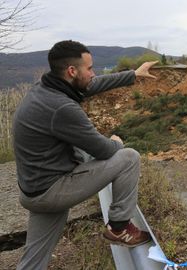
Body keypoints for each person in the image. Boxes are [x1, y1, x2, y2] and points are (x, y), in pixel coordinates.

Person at [13, 40, 158, 270]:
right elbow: (103, 150)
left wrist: (133, 74)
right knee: (128, 158)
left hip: (34, 189)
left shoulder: (46, 88)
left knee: (33, 262)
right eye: (90, 68)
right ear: (72, 71)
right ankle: (119, 228)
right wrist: (115, 143)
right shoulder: (61, 107)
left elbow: (90, 85)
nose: (94, 73)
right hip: (52, 190)